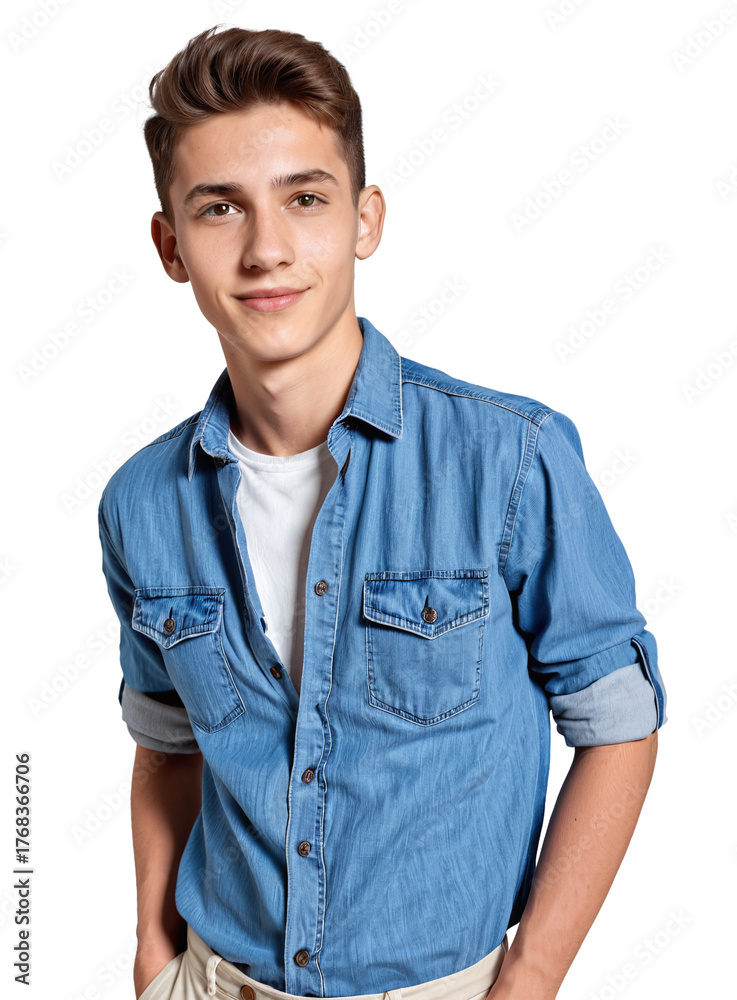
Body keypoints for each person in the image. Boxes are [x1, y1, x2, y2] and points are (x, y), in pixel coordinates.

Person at [97, 24, 667, 1000]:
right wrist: (153, 951)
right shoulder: (141, 501)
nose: (266, 249)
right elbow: (166, 741)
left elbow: (617, 725)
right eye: (220, 207)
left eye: (305, 199)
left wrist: (529, 977)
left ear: (364, 220)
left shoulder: (509, 459)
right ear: (170, 245)